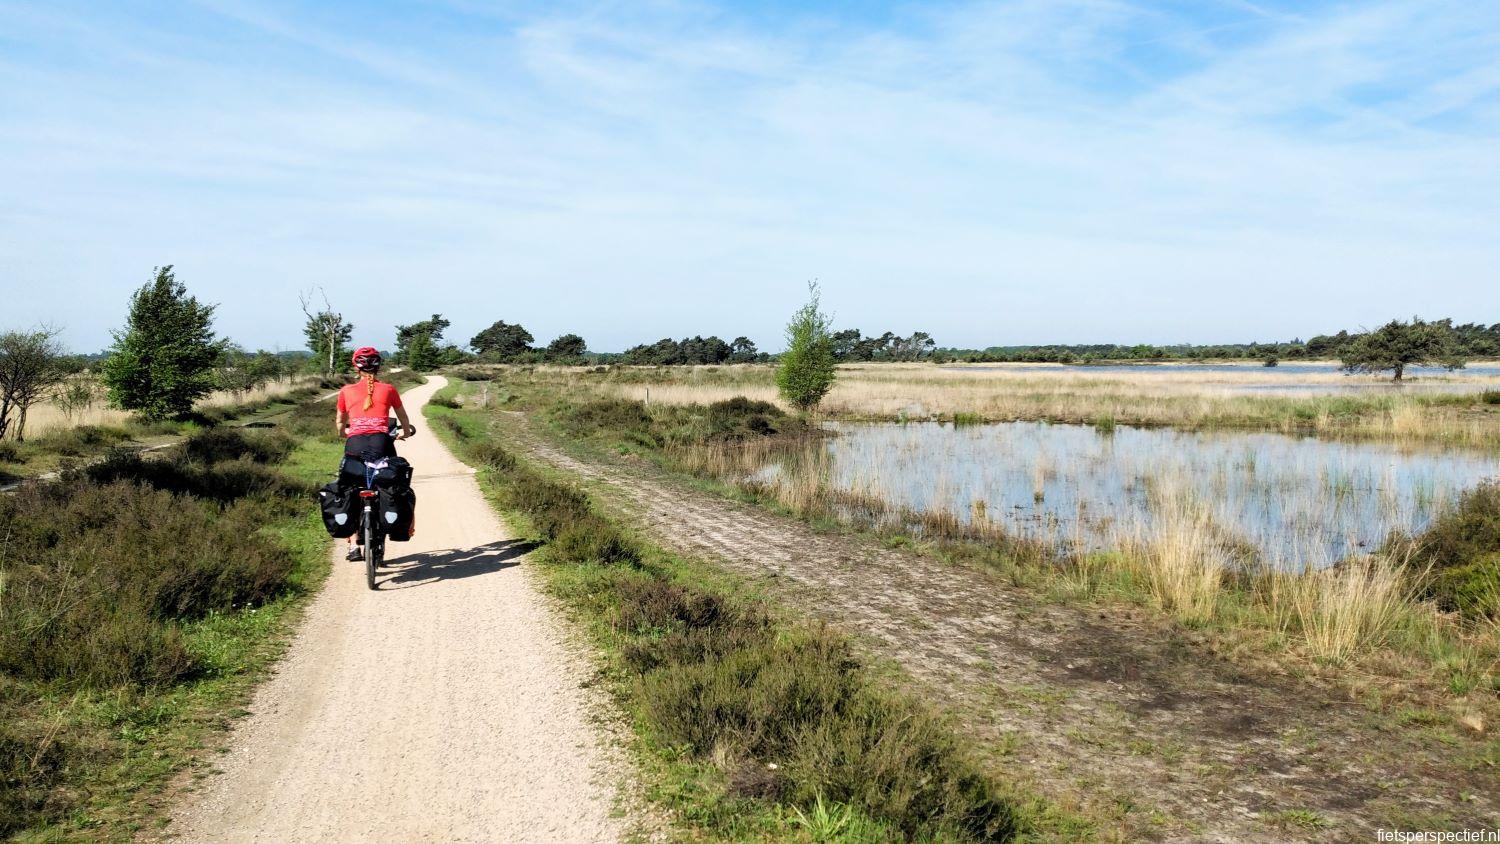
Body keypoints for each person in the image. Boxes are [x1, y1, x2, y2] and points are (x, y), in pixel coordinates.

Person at [335, 346, 415, 561]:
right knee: (387, 484)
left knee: (349, 488)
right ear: (379, 366)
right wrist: (405, 432)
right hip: (382, 444)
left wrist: (344, 433)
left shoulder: (346, 391)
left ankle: (352, 545)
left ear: (356, 366)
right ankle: (385, 527)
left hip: (354, 445)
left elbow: (340, 422)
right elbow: (404, 419)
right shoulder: (388, 389)